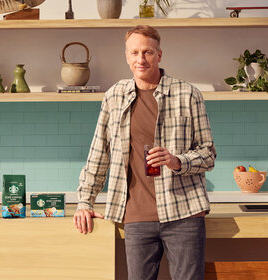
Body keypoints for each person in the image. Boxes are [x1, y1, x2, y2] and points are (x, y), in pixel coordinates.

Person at [73, 25, 216, 280]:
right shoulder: (114, 96)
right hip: (135, 216)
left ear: (159, 54)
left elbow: (208, 154)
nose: (141, 59)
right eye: (135, 52)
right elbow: (99, 154)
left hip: (183, 214)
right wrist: (85, 201)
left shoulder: (188, 94)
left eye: (148, 52)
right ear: (127, 56)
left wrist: (176, 161)